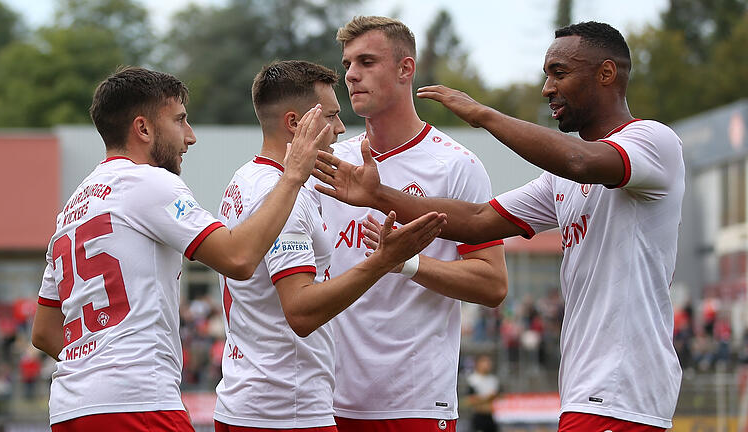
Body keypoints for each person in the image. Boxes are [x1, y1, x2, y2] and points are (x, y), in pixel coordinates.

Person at [314, 21, 684, 431]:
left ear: (606, 74)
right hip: (586, 391)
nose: (547, 88)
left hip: (623, 391)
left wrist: (484, 115)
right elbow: (477, 222)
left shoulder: (654, 141)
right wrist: (378, 196)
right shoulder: (560, 182)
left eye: (559, 73)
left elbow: (579, 162)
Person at [31, 66, 332, 431]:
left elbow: (45, 332)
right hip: (136, 402)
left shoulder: (72, 207)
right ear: (143, 129)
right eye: (180, 121)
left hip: (69, 407)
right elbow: (238, 258)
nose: (190, 137)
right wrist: (293, 175)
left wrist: (95, 368)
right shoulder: (148, 181)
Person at [213, 60, 446, 432]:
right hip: (284, 407)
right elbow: (301, 312)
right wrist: (384, 260)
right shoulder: (281, 197)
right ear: (295, 124)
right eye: (332, 116)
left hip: (247, 397)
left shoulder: (246, 178)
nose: (340, 129)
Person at [311, 16, 509, 432]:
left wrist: (407, 263)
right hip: (325, 400)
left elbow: (492, 284)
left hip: (415, 404)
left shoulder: (456, 165)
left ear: (406, 69)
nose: (351, 75)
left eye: (366, 61)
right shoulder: (328, 163)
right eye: (347, 64)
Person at [464, 355, 500, 432]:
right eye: (484, 362)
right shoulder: (473, 380)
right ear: (478, 364)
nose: (487, 364)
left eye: (488, 362)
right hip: (479, 417)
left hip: (490, 416)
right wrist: (487, 398)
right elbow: (470, 400)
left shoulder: (493, 380)